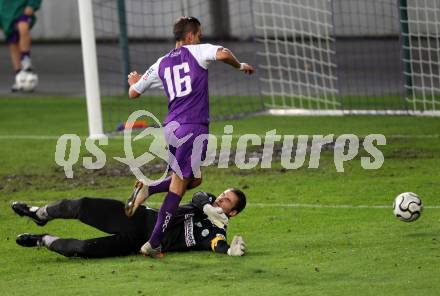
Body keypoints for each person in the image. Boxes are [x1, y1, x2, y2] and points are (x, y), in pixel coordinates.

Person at [126, 16, 255, 257]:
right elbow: (224, 53)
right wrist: (239, 66)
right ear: (189, 37)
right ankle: (154, 243)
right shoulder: (197, 51)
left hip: (171, 128)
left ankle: (148, 189)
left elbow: (133, 93)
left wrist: (134, 82)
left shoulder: (161, 63)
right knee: (178, 185)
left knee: (194, 180)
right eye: (198, 35)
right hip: (192, 127)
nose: (200, 39)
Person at [12, 188, 247, 258]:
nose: (221, 198)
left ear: (233, 212)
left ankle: (41, 241)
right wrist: (209, 207)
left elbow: (217, 243)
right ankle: (39, 214)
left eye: (227, 200)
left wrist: (230, 252)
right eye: (223, 194)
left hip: (136, 243)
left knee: (82, 249)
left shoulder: (215, 231)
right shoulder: (203, 202)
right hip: (138, 217)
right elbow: (199, 196)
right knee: (82, 206)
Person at [0, 0, 42, 91]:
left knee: (23, 25)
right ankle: (19, 76)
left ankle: (25, 59)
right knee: (13, 43)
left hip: (22, 7)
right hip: (6, 13)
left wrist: (32, 5)